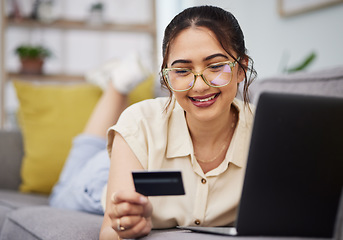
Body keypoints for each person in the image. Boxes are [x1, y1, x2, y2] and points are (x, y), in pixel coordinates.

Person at [99, 5, 257, 240]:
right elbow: (110, 232)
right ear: (166, 74)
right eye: (182, 70)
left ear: (241, 68)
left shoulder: (267, 131)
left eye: (215, 66)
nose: (200, 85)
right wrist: (126, 228)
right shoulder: (139, 123)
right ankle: (116, 85)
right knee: (79, 164)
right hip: (96, 181)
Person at [49, 52, 151, 214]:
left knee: (60, 195)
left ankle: (117, 85)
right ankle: (118, 84)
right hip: (118, 164)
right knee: (62, 194)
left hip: (114, 166)